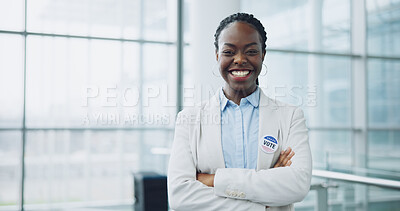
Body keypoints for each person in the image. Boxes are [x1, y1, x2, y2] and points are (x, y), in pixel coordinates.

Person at [168, 13, 312, 211]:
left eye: (251, 51)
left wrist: (213, 180)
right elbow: (180, 196)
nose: (240, 59)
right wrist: (262, 203)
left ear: (263, 54)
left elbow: (297, 184)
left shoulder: (290, 117)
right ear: (217, 55)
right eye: (229, 52)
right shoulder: (189, 119)